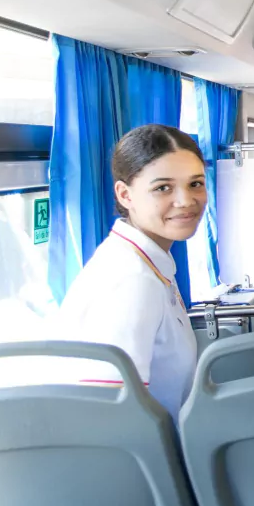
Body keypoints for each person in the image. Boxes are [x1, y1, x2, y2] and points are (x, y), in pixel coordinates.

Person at [56, 124, 203, 419]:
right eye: (163, 188)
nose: (186, 200)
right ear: (125, 195)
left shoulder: (146, 263)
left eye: (195, 184)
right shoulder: (132, 281)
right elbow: (114, 416)